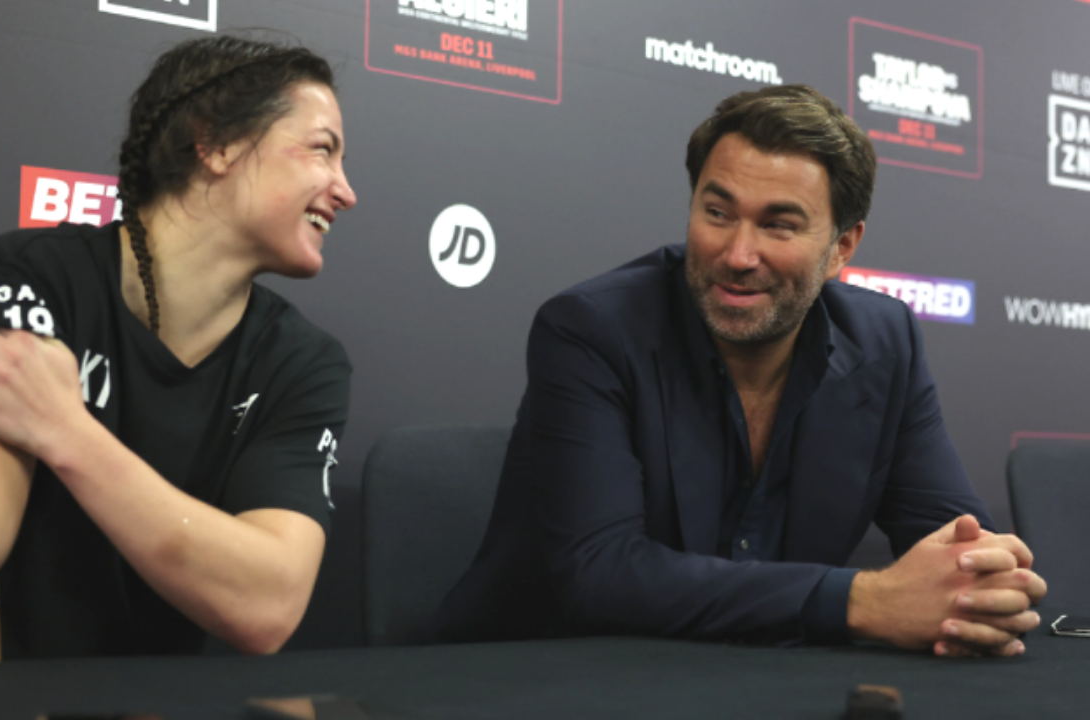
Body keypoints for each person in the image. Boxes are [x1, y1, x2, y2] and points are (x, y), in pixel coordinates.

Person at [430, 85, 1046, 657]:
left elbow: (962, 546)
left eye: (779, 224)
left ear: (842, 247)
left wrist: (980, 586)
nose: (737, 255)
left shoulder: (887, 344)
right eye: (718, 213)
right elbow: (601, 575)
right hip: (547, 676)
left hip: (762, 684)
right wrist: (859, 601)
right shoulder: (591, 331)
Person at [0, 34, 358, 670]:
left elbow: (265, 606)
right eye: (323, 150)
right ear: (215, 144)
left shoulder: (302, 362)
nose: (345, 191)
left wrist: (68, 434)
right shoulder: (22, 282)